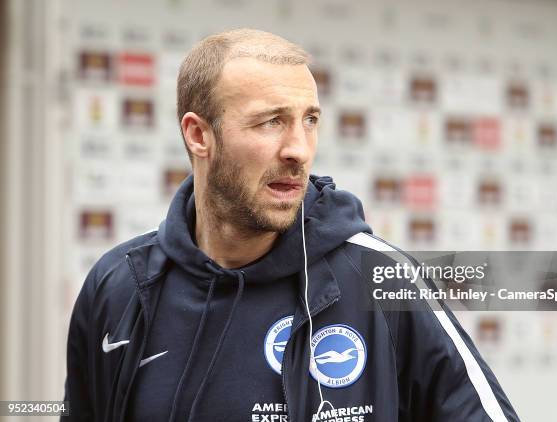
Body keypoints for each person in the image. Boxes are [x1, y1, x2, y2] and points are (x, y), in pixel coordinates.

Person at [62, 28, 519, 422]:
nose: (298, 150)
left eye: (310, 120)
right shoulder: (118, 284)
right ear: (199, 135)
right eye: (270, 122)